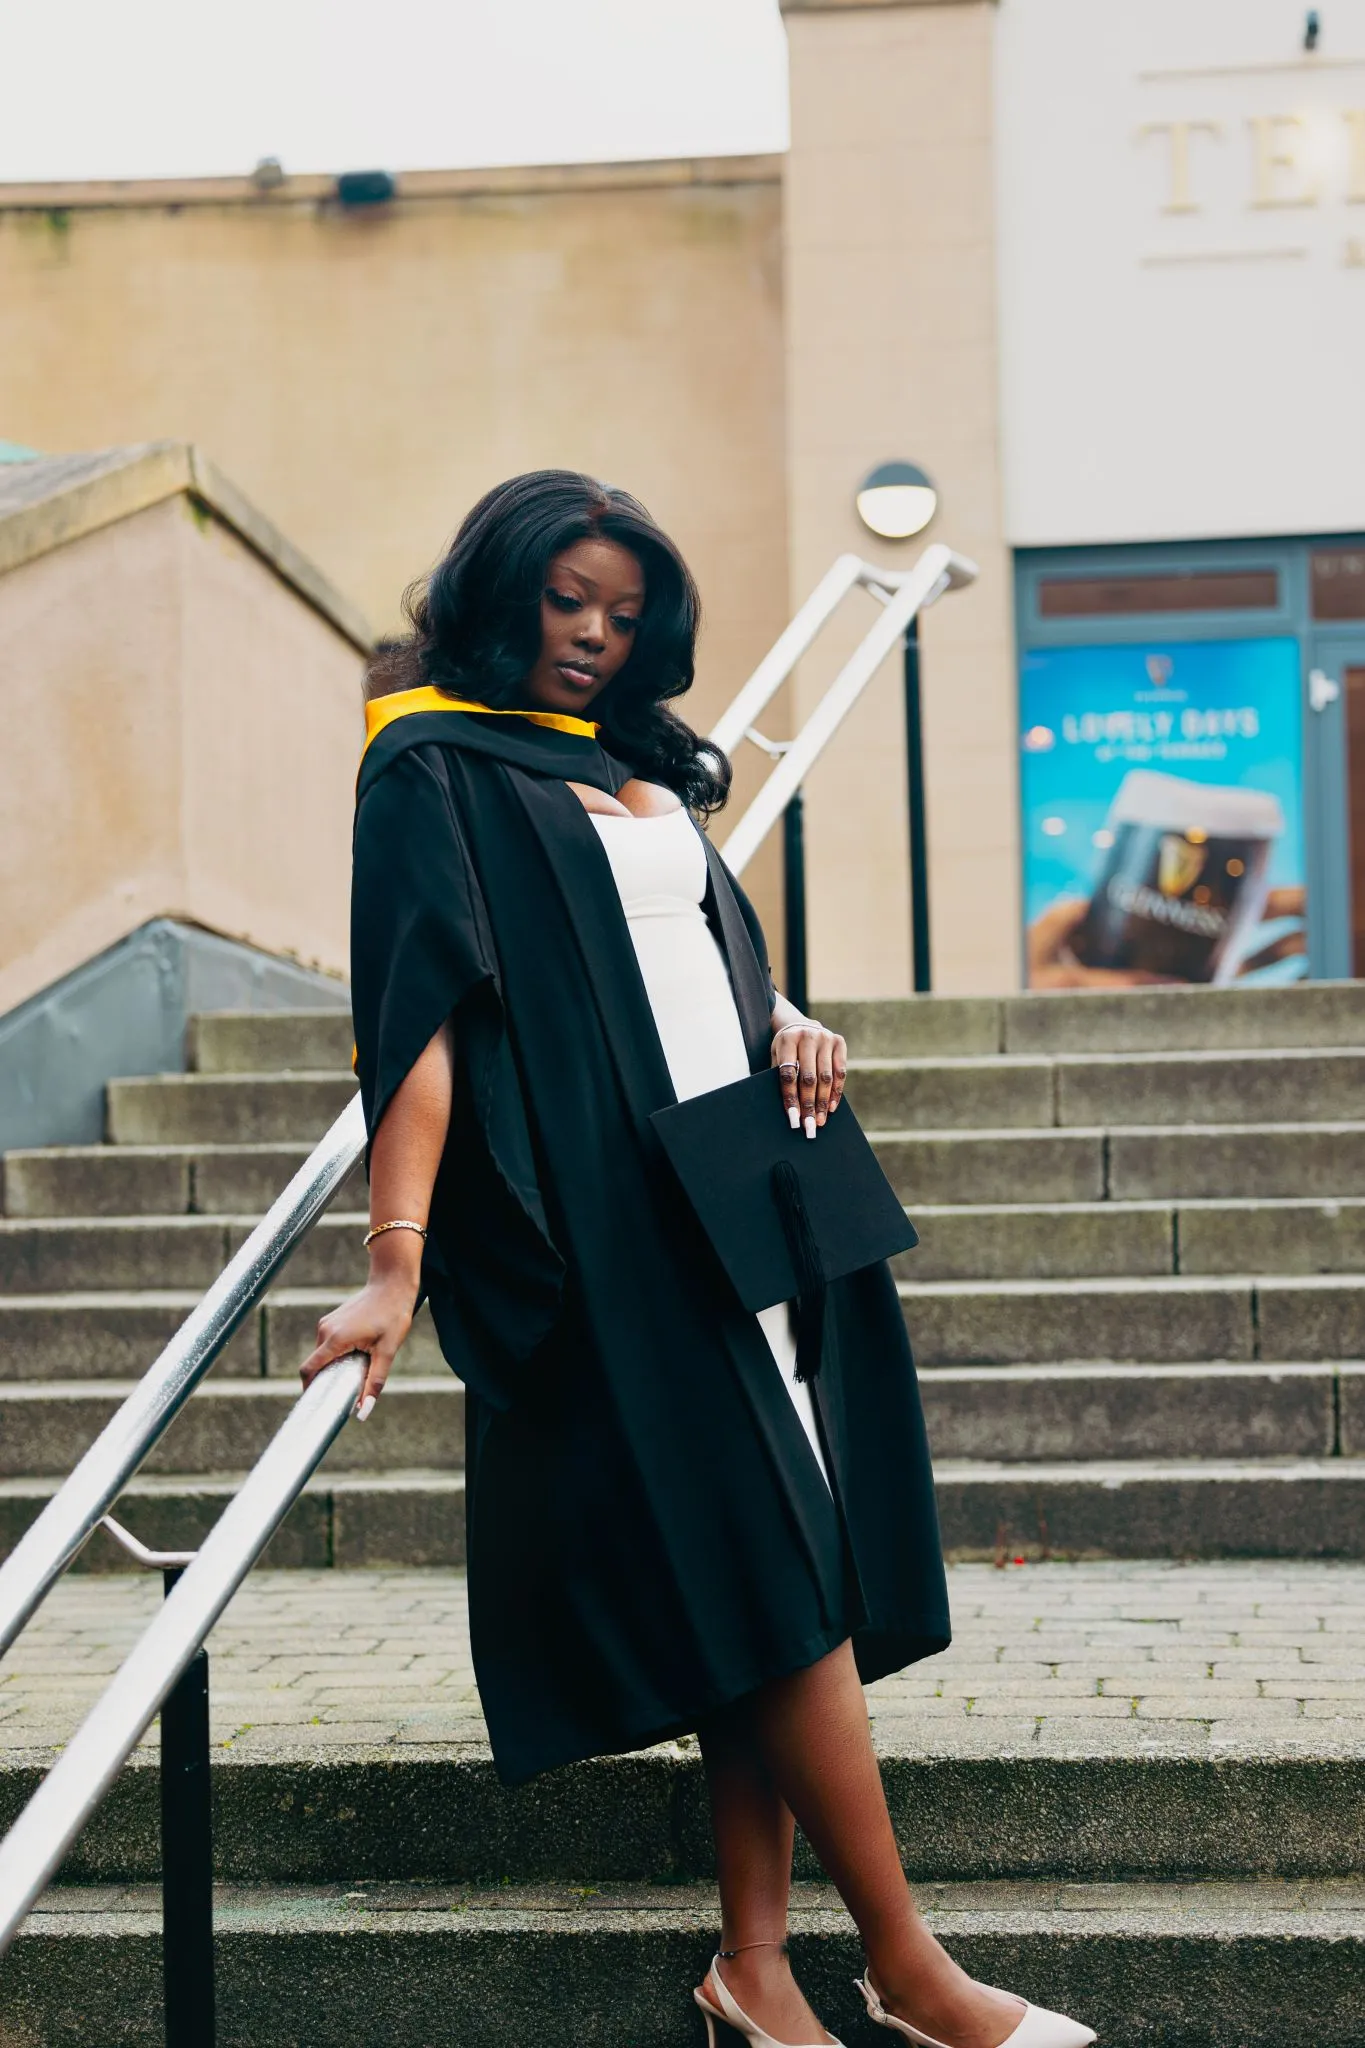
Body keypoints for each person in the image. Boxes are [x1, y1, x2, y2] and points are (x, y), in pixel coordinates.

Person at [301, 472, 1095, 2048]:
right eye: (564, 602)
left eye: (622, 612)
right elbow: (425, 1028)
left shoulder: (642, 767)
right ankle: (908, 1967)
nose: (595, 636)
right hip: (615, 1229)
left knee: (770, 1576)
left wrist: (786, 1019)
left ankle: (755, 1964)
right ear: (498, 590)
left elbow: (692, 954)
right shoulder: (431, 767)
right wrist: (399, 1260)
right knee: (780, 1574)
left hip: (752, 1195)